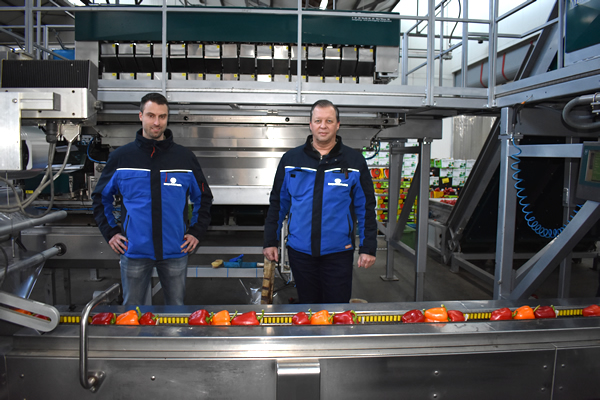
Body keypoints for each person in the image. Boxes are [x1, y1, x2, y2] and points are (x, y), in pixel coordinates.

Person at [92, 92, 213, 305]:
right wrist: (110, 232)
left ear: (167, 118)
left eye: (162, 116)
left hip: (175, 250)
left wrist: (196, 232)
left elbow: (203, 197)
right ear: (140, 116)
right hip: (134, 250)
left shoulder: (184, 158)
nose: (157, 122)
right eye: (151, 115)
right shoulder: (121, 157)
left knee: (176, 311)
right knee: (132, 313)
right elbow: (101, 197)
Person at [263, 99, 377, 304]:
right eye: (318, 121)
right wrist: (270, 241)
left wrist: (368, 247)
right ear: (310, 124)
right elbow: (278, 204)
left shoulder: (354, 161)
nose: (323, 126)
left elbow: (366, 207)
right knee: (308, 307)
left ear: (338, 125)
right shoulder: (291, 159)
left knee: (337, 309)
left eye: (329, 121)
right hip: (300, 252)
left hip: (338, 253)